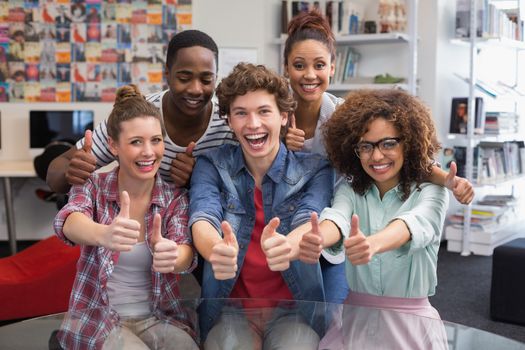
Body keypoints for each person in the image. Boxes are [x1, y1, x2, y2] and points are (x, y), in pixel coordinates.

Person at [283, 10, 474, 303]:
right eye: (299, 65)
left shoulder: (345, 116)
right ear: (285, 68)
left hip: (335, 218)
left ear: (333, 67)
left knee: (329, 311)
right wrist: (280, 144)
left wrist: (449, 182)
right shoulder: (272, 115)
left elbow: (408, 164)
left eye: (319, 64)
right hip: (294, 222)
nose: (309, 74)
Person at [190, 63, 333, 349]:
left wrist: (289, 245)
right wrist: (215, 250)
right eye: (241, 113)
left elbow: (310, 219)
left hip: (295, 310)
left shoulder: (315, 169)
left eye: (264, 111)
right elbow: (203, 216)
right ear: (229, 121)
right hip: (231, 310)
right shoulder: (210, 165)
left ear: (283, 116)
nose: (253, 124)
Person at [299, 89, 450, 349]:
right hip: (353, 322)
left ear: (409, 142)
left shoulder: (432, 191)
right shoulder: (351, 189)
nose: (377, 156)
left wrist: (374, 243)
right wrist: (317, 238)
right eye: (366, 146)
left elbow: (412, 224)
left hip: (411, 328)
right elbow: (337, 219)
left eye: (388, 143)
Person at [53, 84, 198, 350]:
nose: (148, 152)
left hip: (159, 318)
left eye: (156, 140)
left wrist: (173, 256)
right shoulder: (93, 186)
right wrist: (104, 234)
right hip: (102, 320)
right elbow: (68, 220)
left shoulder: (174, 197)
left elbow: (185, 253)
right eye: (135, 142)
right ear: (113, 145)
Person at [46, 30, 235, 194]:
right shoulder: (137, 114)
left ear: (216, 77)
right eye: (184, 77)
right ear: (167, 73)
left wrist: (200, 179)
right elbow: (54, 174)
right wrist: (69, 172)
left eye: (206, 79)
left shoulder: (229, 122)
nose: (195, 89)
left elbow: (246, 193)